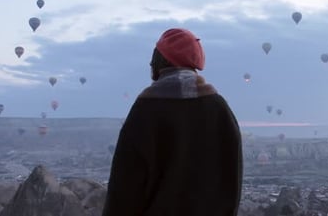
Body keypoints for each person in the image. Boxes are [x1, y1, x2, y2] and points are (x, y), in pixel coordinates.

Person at [102, 28, 243, 216]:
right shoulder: (218, 108)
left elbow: (124, 186)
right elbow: (232, 178)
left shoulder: (145, 109)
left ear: (158, 61)